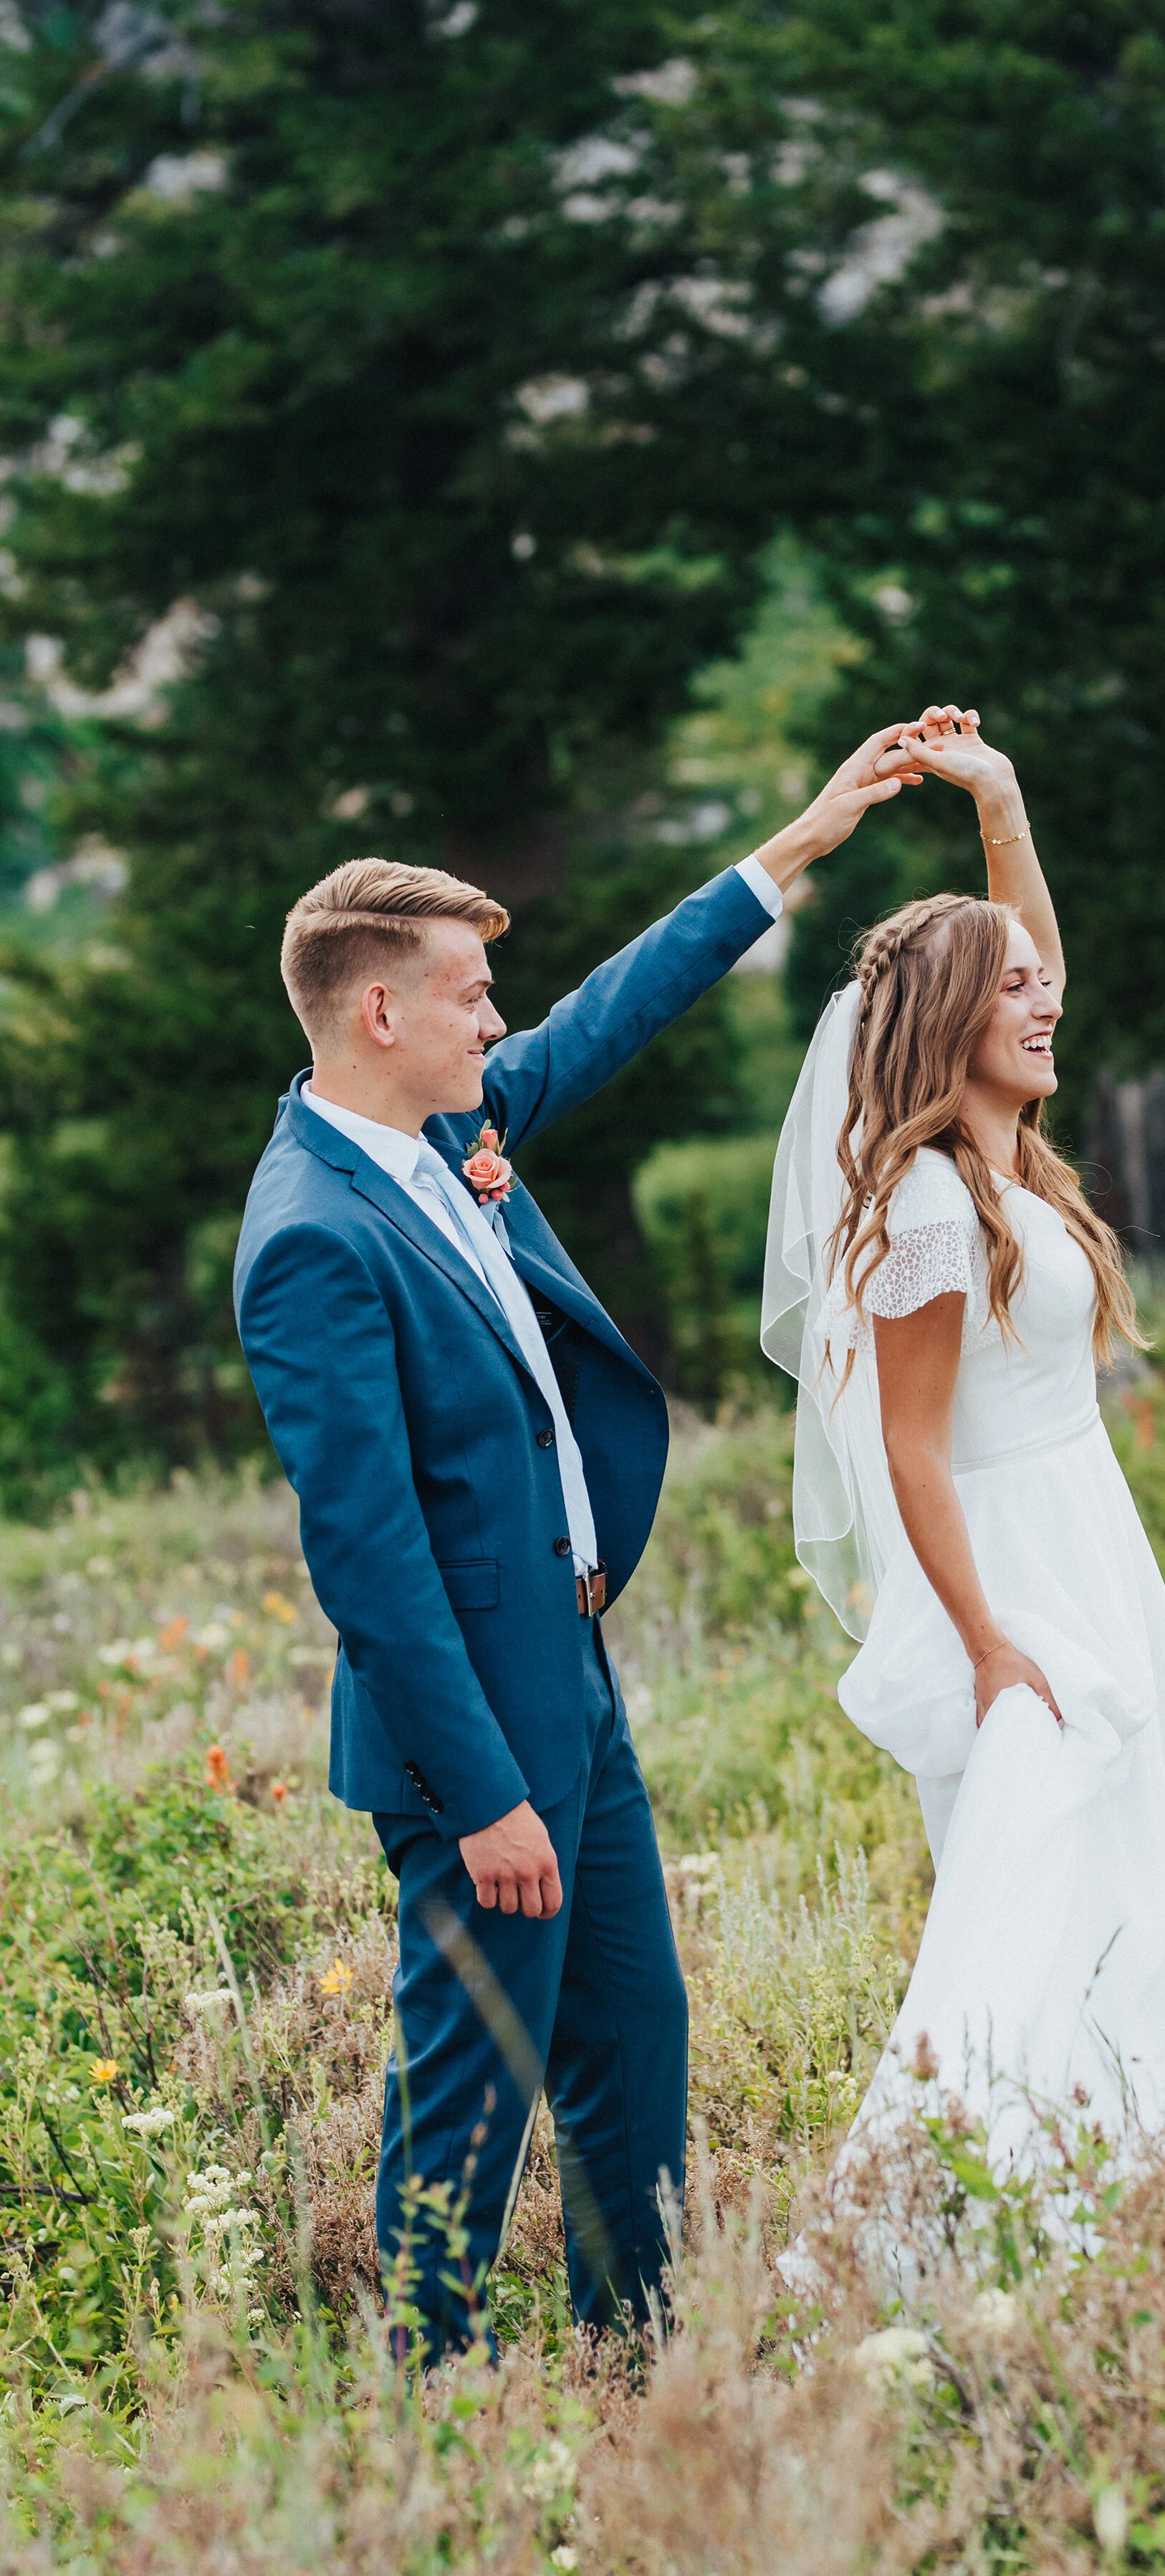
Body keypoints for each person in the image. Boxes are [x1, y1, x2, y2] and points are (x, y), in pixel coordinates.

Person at [234, 725, 918, 2362]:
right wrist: (483, 1799)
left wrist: (799, 847)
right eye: (471, 992)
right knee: (470, 2090)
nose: (497, 1020)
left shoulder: (445, 1138)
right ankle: (435, 2409)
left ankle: (640, 2358)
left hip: (575, 1685)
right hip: (473, 1744)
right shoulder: (313, 1238)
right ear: (378, 1010)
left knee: (633, 2039)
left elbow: (609, 1012)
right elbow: (371, 1560)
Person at [764, 708, 1165, 2180]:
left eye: (1041, 986)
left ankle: (1164, 2176)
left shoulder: (1002, 1157)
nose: (1048, 1004)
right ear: (951, 1021)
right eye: (1014, 992)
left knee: (1150, 1865)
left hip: (1088, 1539)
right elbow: (908, 1451)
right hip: (1008, 1573)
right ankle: (978, 2201)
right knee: (1040, 1902)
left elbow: (1037, 961)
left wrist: (1001, 803)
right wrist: (987, 1647)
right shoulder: (928, 1205)